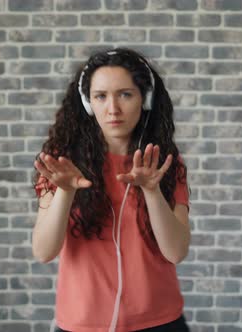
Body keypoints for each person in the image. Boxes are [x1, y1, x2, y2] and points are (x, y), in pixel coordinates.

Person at [32, 48, 190, 332]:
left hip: (159, 322)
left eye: (125, 94)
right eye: (101, 96)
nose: (113, 108)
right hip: (81, 323)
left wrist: (152, 191)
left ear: (146, 99)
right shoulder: (63, 162)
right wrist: (65, 193)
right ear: (88, 103)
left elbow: (176, 252)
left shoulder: (163, 162)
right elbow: (43, 251)